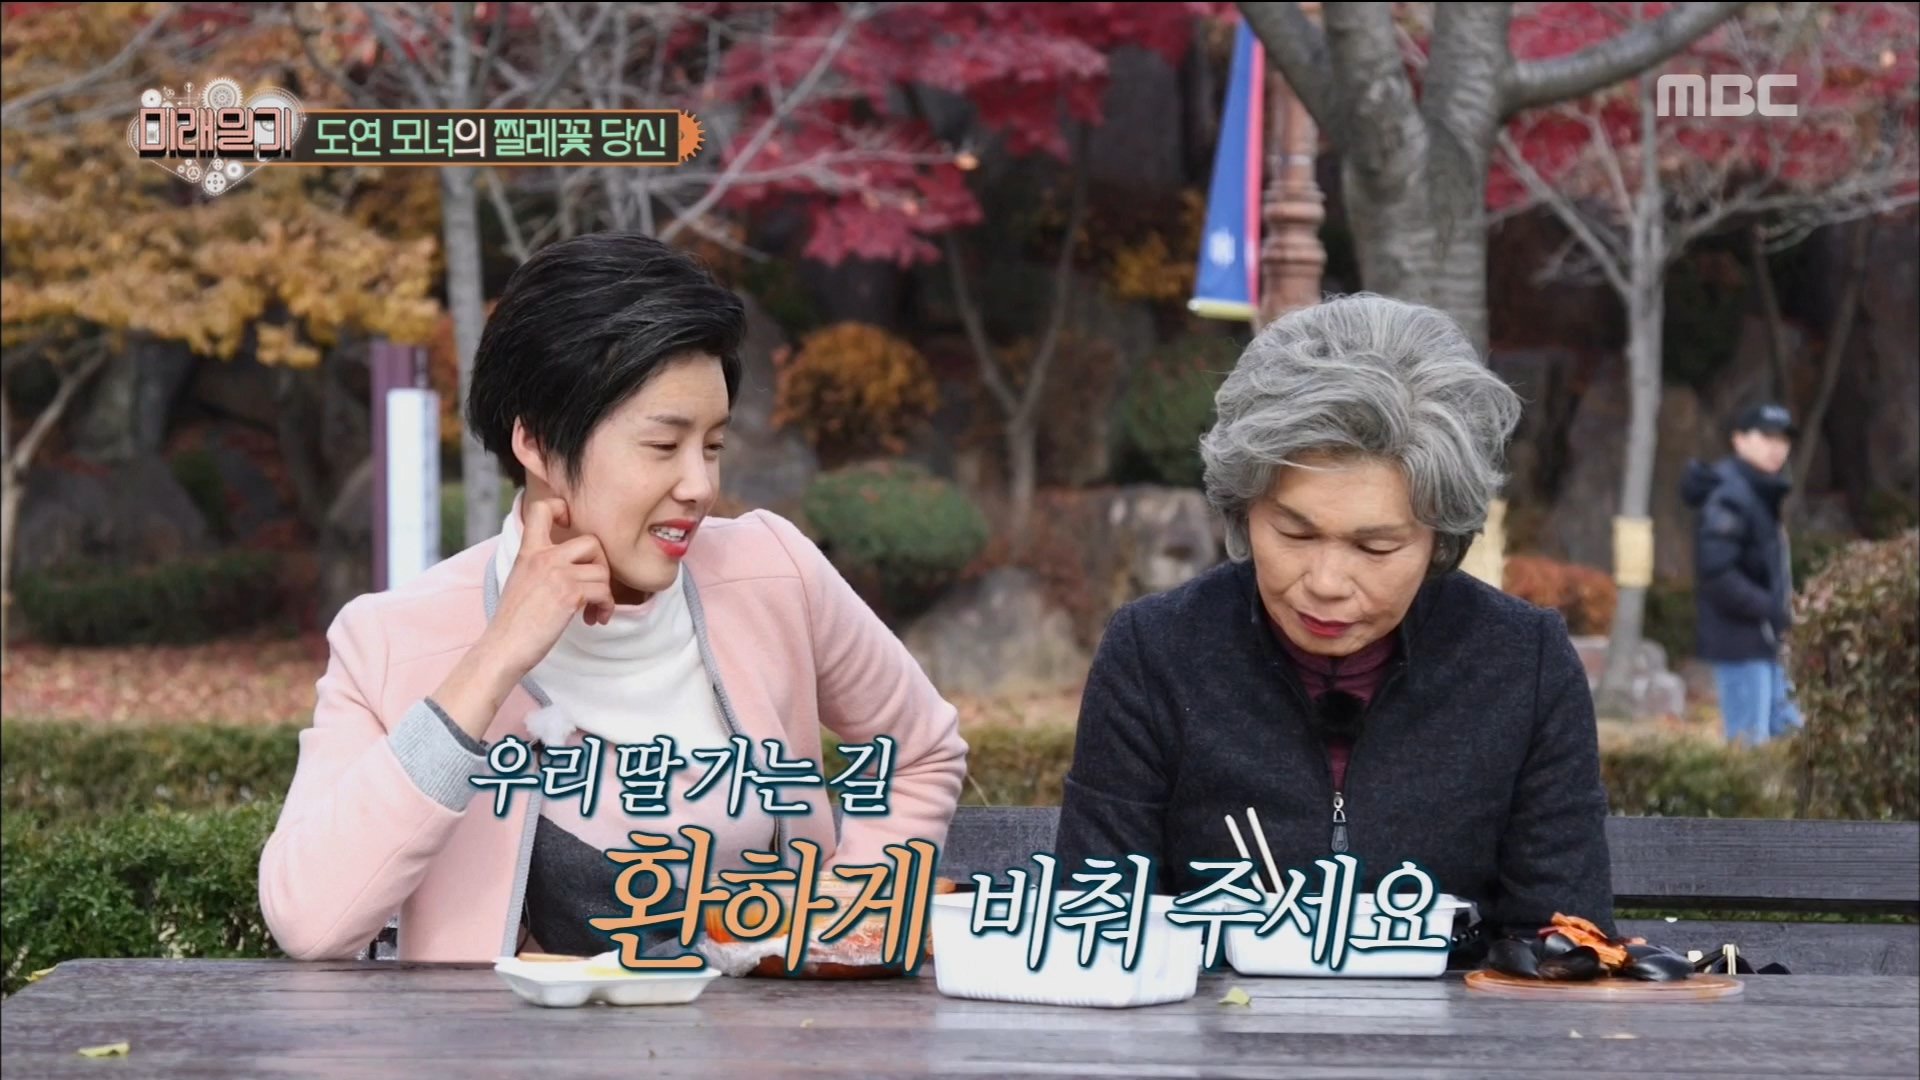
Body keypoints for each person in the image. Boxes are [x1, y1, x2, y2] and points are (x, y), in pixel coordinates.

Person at [259, 232, 968, 964]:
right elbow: (310, 922)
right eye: (663, 446)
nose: (698, 486)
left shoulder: (773, 574)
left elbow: (918, 752)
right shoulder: (390, 639)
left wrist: (845, 926)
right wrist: (496, 657)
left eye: (713, 446)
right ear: (537, 443)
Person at [1051, 294, 1616, 948]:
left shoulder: (1523, 663)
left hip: (1453, 1014)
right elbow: (1092, 923)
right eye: (1293, 532)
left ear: (1440, 538)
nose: (1325, 582)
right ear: (1244, 508)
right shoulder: (1155, 653)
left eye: (1375, 548)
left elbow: (1564, 942)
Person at [1681, 403, 1803, 746]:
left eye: (1783, 439)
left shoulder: (1759, 490)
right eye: (1766, 437)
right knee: (1750, 746)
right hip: (1741, 642)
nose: (1776, 447)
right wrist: (1771, 609)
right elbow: (1718, 575)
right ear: (1739, 440)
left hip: (1767, 641)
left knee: (1790, 736)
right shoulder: (1731, 494)